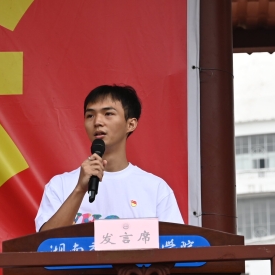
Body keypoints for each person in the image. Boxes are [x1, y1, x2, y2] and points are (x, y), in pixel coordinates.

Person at [35, 85, 183, 232]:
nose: (97, 122)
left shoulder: (155, 188)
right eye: (90, 115)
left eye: (108, 114)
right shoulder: (60, 185)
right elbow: (44, 242)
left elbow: (174, 242)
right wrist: (80, 190)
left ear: (130, 124)